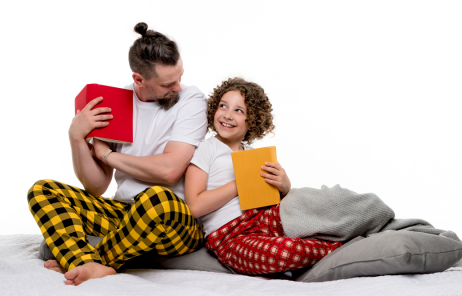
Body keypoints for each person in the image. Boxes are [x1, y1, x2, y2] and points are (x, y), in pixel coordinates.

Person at [28, 22, 207, 286]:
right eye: (169, 83)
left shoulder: (191, 100)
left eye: (180, 77)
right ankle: (85, 264)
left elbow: (170, 171)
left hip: (174, 219)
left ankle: (86, 260)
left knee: (157, 197)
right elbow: (97, 186)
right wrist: (76, 138)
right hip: (124, 215)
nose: (178, 87)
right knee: (42, 190)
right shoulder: (115, 103)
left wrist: (107, 156)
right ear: (139, 79)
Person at [184, 77, 342, 275]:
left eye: (238, 110)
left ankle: (348, 230)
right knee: (285, 252)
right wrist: (240, 183)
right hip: (229, 235)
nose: (227, 115)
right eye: (223, 106)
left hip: (263, 216)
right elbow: (194, 206)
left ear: (253, 121)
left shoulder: (252, 154)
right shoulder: (206, 149)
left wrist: (284, 186)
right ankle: (341, 251)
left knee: (317, 203)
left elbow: (271, 199)